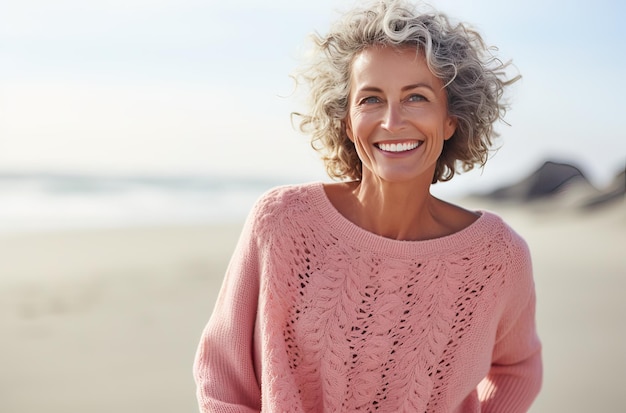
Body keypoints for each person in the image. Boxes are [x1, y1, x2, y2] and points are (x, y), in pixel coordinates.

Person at [193, 0, 542, 411]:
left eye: (416, 98)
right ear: (346, 120)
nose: (392, 121)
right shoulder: (282, 222)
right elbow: (222, 376)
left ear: (452, 119)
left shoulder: (498, 257)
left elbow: (518, 366)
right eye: (371, 99)